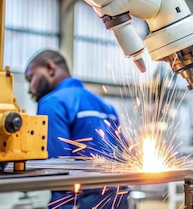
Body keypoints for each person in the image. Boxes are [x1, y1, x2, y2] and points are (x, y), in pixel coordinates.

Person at [25, 49, 129, 209]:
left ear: (50, 68)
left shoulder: (52, 103)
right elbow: (125, 156)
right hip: (119, 199)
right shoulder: (106, 105)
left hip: (82, 203)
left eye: (31, 77)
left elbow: (58, 169)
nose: (29, 88)